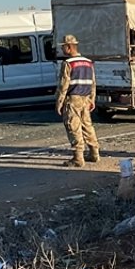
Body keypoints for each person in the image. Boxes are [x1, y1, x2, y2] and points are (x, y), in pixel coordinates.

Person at [55, 34, 99, 168]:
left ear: (69, 47)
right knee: (87, 127)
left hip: (73, 99)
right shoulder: (88, 62)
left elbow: (63, 85)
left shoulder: (68, 63)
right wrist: (92, 99)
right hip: (86, 99)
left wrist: (59, 103)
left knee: (74, 127)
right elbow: (93, 83)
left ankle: (78, 158)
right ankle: (94, 153)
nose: (62, 50)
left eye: (63, 47)